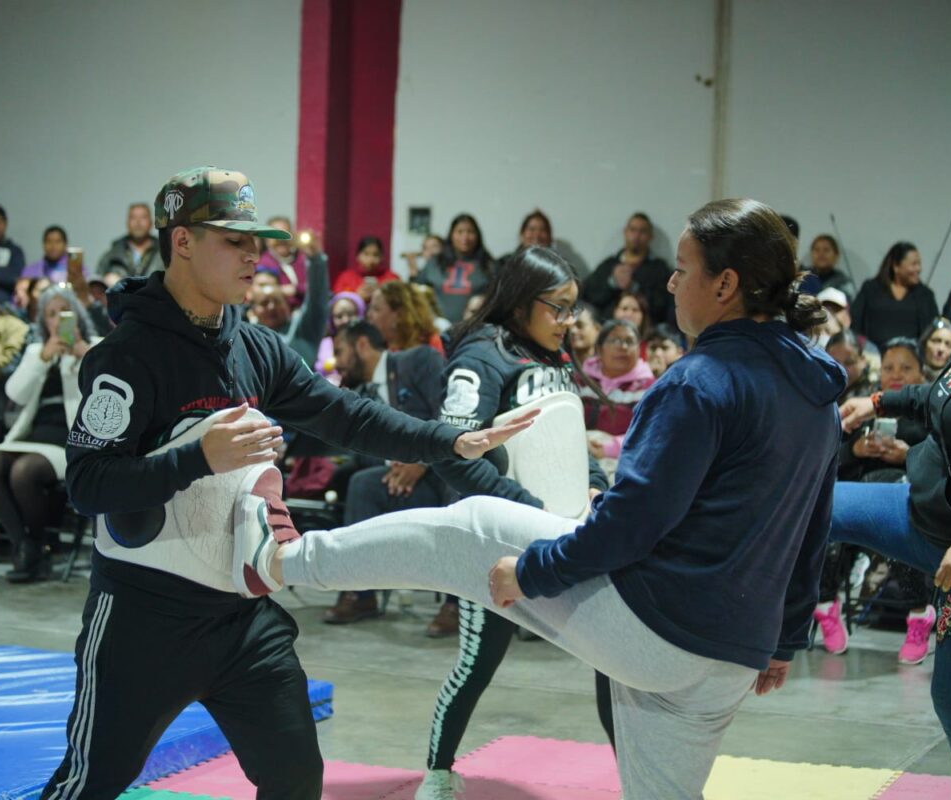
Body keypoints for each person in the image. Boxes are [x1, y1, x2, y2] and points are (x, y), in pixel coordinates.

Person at [238, 198, 845, 800]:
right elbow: (812, 524)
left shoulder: (699, 382)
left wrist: (534, 571)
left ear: (727, 284)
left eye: (684, 267)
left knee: (470, 528)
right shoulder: (816, 389)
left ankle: (282, 560)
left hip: (660, 628)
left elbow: (635, 524)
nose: (672, 279)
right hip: (736, 654)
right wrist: (788, 634)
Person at [41, 166, 525, 800]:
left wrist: (444, 440)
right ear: (182, 241)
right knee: (87, 786)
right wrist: (196, 458)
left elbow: (343, 413)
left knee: (298, 782)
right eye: (234, 240)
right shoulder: (126, 356)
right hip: (143, 619)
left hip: (241, 619)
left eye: (256, 241)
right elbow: (88, 485)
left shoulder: (253, 345)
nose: (254, 254)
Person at [397, 246, 616, 791]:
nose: (569, 322)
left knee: (613, 665)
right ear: (522, 304)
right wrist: (523, 507)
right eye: (559, 309)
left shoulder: (555, 358)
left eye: (573, 309)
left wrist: (595, 486)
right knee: (477, 665)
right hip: (495, 540)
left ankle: (638, 777)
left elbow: (569, 439)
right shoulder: (480, 358)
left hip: (565, 534)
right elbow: (453, 455)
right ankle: (439, 774)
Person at [832, 223, 951, 800]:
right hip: (919, 511)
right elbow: (938, 398)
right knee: (814, 505)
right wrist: (876, 400)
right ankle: (777, 635)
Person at [321, 320, 450, 624]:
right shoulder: (357, 394)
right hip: (402, 483)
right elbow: (359, 454)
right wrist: (396, 468)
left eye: (340, 352)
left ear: (362, 345)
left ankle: (459, 604)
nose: (336, 363)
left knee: (458, 483)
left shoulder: (418, 360)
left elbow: (449, 413)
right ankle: (361, 594)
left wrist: (421, 461)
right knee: (361, 484)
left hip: (443, 472)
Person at [816, 337, 934, 663]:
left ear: (921, 374)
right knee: (826, 518)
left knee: (900, 531)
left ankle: (919, 616)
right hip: (857, 491)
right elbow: (827, 459)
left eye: (905, 368)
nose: (895, 374)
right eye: (888, 367)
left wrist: (907, 456)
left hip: (907, 495)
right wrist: (854, 450)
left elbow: (944, 463)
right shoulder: (863, 405)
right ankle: (826, 605)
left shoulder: (929, 412)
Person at [0, 286, 96, 583]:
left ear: (78, 315)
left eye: (64, 312)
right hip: (32, 434)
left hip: (70, 439)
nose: (58, 320)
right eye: (51, 314)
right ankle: (26, 544)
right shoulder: (36, 351)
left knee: (23, 471)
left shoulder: (97, 348)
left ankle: (37, 545)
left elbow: (104, 398)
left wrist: (82, 354)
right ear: (43, 321)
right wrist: (43, 359)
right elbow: (13, 393)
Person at [580, 320, 655, 473]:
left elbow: (649, 433)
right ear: (599, 349)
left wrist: (610, 448)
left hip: (626, 460)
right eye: (615, 340)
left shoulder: (649, 387)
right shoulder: (581, 379)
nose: (623, 347)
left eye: (629, 341)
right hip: (580, 450)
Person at [247, 236, 329, 364]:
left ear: (287, 304)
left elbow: (317, 298)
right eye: (264, 303)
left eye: (277, 301)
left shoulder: (304, 329)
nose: (271, 307)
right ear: (253, 311)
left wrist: (315, 259)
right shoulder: (246, 337)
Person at [582, 212, 673, 325]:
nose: (636, 235)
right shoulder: (609, 265)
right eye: (633, 230)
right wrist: (612, 283)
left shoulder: (659, 268)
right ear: (625, 232)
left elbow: (662, 306)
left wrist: (633, 286)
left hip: (646, 332)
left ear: (650, 236)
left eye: (642, 231)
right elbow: (588, 295)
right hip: (606, 328)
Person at [851, 241, 940, 349]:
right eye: (914, 264)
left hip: (912, 358)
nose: (919, 269)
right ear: (896, 266)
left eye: (919, 264)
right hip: (873, 358)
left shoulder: (925, 295)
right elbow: (855, 324)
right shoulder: (870, 289)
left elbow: (933, 330)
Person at [412, 213, 495, 323]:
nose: (465, 237)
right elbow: (417, 291)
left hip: (474, 330)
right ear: (451, 235)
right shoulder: (435, 262)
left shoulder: (488, 265)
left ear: (477, 236)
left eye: (470, 232)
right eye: (459, 232)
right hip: (437, 330)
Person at [367, 281, 442, 353]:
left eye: (376, 309)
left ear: (399, 315)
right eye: (370, 308)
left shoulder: (429, 344)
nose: (369, 315)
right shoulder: (370, 347)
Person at [96, 202, 161, 278]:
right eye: (133, 217)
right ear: (127, 223)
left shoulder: (163, 254)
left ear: (151, 223)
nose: (138, 222)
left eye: (143, 217)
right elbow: (97, 283)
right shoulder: (113, 254)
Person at [256, 215, 309, 307]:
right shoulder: (263, 264)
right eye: (276, 236)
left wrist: (295, 289)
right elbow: (263, 291)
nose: (281, 240)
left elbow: (318, 288)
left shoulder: (304, 259)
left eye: (285, 234)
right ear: (267, 240)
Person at [314, 292, 364, 382]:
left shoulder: (364, 341)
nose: (345, 320)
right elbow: (319, 368)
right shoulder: (326, 343)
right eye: (339, 316)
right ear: (331, 320)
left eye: (350, 314)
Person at [331, 236, 397, 301]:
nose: (370, 260)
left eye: (375, 255)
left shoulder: (391, 278)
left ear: (382, 257)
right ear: (357, 256)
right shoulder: (345, 278)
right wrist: (356, 296)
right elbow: (336, 302)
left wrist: (382, 293)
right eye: (366, 254)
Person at [808, 234, 855, 300]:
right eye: (817, 250)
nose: (821, 254)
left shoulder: (843, 281)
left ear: (836, 255)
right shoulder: (803, 279)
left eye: (826, 250)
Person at [919, 316, 951, 381]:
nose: (941, 349)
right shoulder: (910, 377)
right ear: (925, 342)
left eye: (948, 344)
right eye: (936, 341)